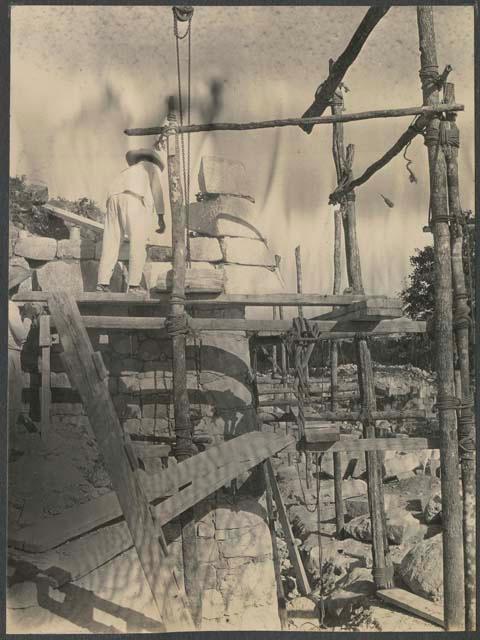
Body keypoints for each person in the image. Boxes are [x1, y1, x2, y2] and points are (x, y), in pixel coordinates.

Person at [96, 138, 168, 294]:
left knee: (111, 242)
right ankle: (134, 285)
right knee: (138, 242)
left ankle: (102, 283)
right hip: (134, 198)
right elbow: (157, 192)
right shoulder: (152, 168)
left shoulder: (127, 171)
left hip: (113, 198)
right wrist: (161, 217)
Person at [8, 266, 40, 459]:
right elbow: (20, 335)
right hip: (10, 355)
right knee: (12, 401)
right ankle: (10, 446)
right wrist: (27, 317)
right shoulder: (9, 305)